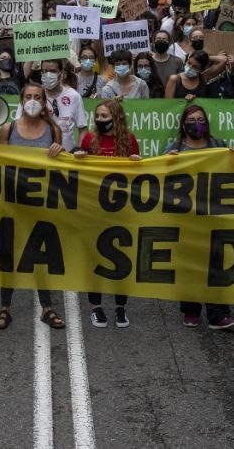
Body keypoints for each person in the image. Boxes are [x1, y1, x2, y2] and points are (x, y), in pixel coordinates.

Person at [0, 82, 66, 330]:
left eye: (38, 97)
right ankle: (5, 307)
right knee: (9, 254)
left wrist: (59, 150)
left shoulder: (53, 130)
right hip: (13, 204)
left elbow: (60, 167)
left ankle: (47, 307)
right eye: (28, 96)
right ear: (21, 101)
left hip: (42, 205)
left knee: (41, 254)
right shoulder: (7, 129)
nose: (33, 100)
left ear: (44, 102)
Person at [165, 104, 234, 330]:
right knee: (189, 264)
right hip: (186, 217)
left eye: (200, 119)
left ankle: (218, 314)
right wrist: (168, 161)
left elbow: (233, 173)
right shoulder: (175, 147)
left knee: (216, 264)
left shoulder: (218, 145)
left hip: (214, 214)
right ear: (183, 124)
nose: (196, 123)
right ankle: (190, 310)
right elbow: (162, 178)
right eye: (191, 119)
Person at [74, 98, 140, 329]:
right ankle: (96, 307)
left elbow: (138, 175)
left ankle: (121, 307)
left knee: (121, 259)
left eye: (105, 116)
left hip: (121, 210)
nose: (100, 120)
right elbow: (79, 172)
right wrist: (79, 158)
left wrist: (136, 163)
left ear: (117, 118)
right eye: (98, 116)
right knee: (95, 258)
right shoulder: (89, 139)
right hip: (93, 209)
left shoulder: (129, 140)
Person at [39, 58, 87, 150]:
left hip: (66, 158)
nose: (48, 75)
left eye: (52, 71)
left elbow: (83, 129)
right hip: (40, 156)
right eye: (44, 71)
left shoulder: (73, 96)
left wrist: (79, 151)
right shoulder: (34, 95)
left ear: (61, 73)